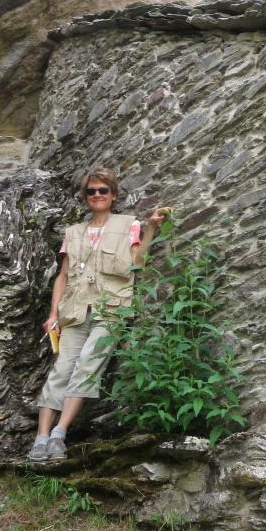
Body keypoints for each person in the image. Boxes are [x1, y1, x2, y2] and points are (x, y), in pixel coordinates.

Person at [27, 167, 169, 461]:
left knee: (87, 367)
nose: (96, 195)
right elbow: (63, 276)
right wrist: (53, 313)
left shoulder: (128, 224)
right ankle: (40, 439)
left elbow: (137, 263)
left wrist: (152, 228)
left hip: (111, 309)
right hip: (75, 311)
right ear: (85, 197)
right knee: (61, 370)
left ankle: (59, 435)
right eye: (91, 191)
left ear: (113, 195)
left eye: (102, 190)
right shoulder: (74, 232)